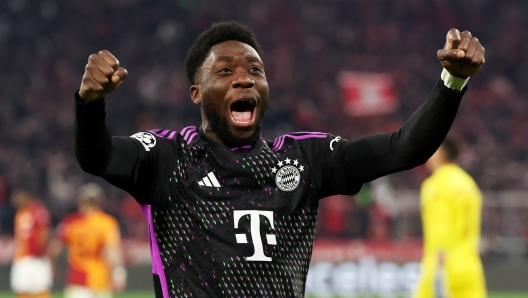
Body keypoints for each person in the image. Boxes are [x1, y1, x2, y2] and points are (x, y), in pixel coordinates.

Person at [74, 20, 485, 297]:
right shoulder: (168, 156)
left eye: (255, 69)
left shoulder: (303, 159)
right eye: (225, 71)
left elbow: (402, 149)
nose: (243, 77)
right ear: (196, 93)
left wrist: (453, 81)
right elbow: (99, 156)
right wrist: (90, 105)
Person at [414, 137, 487, 298]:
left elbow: (441, 224)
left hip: (444, 264)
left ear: (441, 153)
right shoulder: (468, 184)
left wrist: (440, 258)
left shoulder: (435, 186)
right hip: (469, 263)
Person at [47, 183, 126, 298]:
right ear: (101, 201)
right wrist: (119, 273)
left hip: (77, 278)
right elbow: (112, 251)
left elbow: (53, 250)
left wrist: (52, 269)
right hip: (100, 279)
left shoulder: (70, 222)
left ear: (80, 201)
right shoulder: (107, 222)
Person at [10, 189, 52, 298]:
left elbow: (44, 232)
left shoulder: (38, 210)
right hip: (22, 256)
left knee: (40, 288)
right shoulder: (20, 213)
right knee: (22, 288)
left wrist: (42, 249)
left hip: (37, 257)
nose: (17, 201)